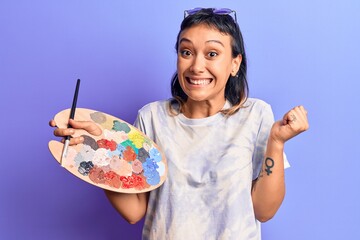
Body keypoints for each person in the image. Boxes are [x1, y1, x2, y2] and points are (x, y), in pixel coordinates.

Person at [50, 8, 309, 240]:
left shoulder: (255, 115)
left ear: (234, 63)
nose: (197, 66)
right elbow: (134, 211)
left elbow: (264, 211)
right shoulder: (151, 118)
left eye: (212, 54)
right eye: (187, 52)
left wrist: (276, 142)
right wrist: (98, 153)